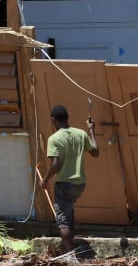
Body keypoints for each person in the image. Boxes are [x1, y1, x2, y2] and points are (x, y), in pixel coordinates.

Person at [38, 104, 99, 254]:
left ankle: (71, 256)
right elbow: (95, 152)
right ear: (67, 117)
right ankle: (72, 244)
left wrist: (44, 180)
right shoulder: (81, 134)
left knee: (63, 222)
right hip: (79, 184)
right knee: (69, 211)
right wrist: (91, 131)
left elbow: (56, 165)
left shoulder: (54, 139)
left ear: (53, 120)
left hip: (64, 184)